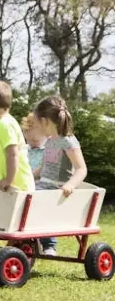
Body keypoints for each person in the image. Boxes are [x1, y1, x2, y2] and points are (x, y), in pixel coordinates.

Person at [31, 95, 89, 256]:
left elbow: (81, 168)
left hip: (56, 187)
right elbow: (43, 168)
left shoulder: (68, 141)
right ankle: (30, 239)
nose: (37, 128)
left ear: (45, 122)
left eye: (37, 123)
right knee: (23, 194)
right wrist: (28, 176)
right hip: (43, 184)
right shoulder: (50, 141)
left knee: (37, 199)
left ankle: (49, 244)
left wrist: (70, 185)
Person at [21, 112, 46, 181]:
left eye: (35, 140)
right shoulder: (23, 149)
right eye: (29, 140)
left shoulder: (49, 151)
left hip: (41, 185)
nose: (32, 143)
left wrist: (30, 177)